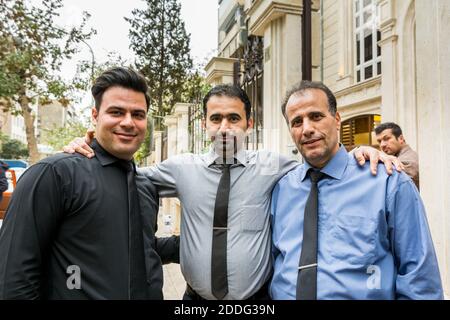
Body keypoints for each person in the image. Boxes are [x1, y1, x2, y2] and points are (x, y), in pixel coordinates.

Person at [65, 84, 402, 300]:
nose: (224, 127)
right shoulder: (181, 168)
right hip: (194, 302)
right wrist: (90, 145)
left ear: (248, 124)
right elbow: (125, 174)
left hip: (258, 301)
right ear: (205, 125)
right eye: (216, 119)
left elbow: (320, 163)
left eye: (233, 118)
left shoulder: (275, 166)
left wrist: (362, 153)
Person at [0, 67, 178, 299]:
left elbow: (139, 248)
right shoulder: (54, 175)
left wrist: (203, 243)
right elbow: (14, 278)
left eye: (138, 114)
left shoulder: (146, 185)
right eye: (116, 112)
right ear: (95, 116)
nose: (128, 122)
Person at [270, 80, 443, 299]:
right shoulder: (280, 189)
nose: (307, 129)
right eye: (296, 122)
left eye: (316, 116)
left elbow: (419, 279)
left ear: (337, 119)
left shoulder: (388, 182)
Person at [375, 122, 420, 189]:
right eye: (379, 141)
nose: (382, 145)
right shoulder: (398, 157)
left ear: (401, 139)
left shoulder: (406, 161)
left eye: (386, 139)